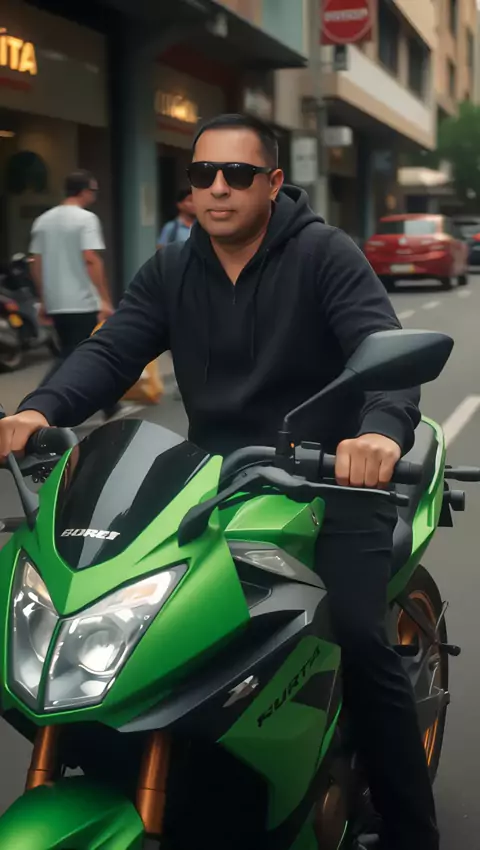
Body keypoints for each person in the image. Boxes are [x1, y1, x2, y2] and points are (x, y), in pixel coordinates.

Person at [0, 114, 436, 850]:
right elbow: (112, 350)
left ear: (273, 182)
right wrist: (36, 410)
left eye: (238, 174)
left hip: (329, 483)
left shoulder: (324, 255)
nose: (219, 188)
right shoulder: (172, 269)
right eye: (203, 174)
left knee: (362, 641)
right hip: (212, 485)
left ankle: (411, 829)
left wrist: (378, 435)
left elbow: (380, 350)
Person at [29, 170, 117, 416]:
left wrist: (44, 299)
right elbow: (90, 259)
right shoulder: (86, 219)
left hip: (57, 302)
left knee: (85, 353)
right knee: (76, 354)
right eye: (94, 191)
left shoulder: (43, 220)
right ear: (85, 191)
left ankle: (110, 404)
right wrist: (104, 298)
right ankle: (36, 405)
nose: (95, 196)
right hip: (82, 301)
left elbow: (36, 262)